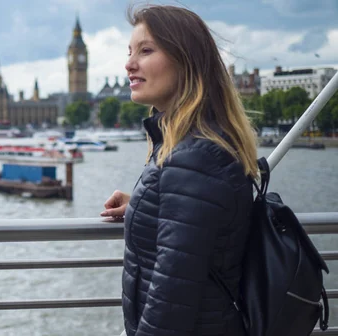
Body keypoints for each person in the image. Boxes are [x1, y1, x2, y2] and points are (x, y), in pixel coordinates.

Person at [100, 5, 259, 336]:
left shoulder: (196, 156)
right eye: (130, 52)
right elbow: (195, 226)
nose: (129, 64)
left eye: (146, 51)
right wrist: (148, 204)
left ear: (185, 60)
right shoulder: (193, 147)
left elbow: (171, 302)